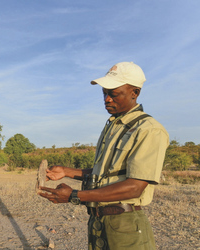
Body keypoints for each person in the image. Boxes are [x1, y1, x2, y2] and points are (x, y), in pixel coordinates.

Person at [39, 62, 169, 249]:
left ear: (135, 93)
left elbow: (134, 187)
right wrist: (66, 171)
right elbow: (105, 173)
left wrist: (74, 195)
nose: (107, 99)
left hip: (126, 225)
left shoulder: (149, 130)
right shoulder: (114, 126)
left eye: (114, 93)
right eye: (104, 93)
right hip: (99, 221)